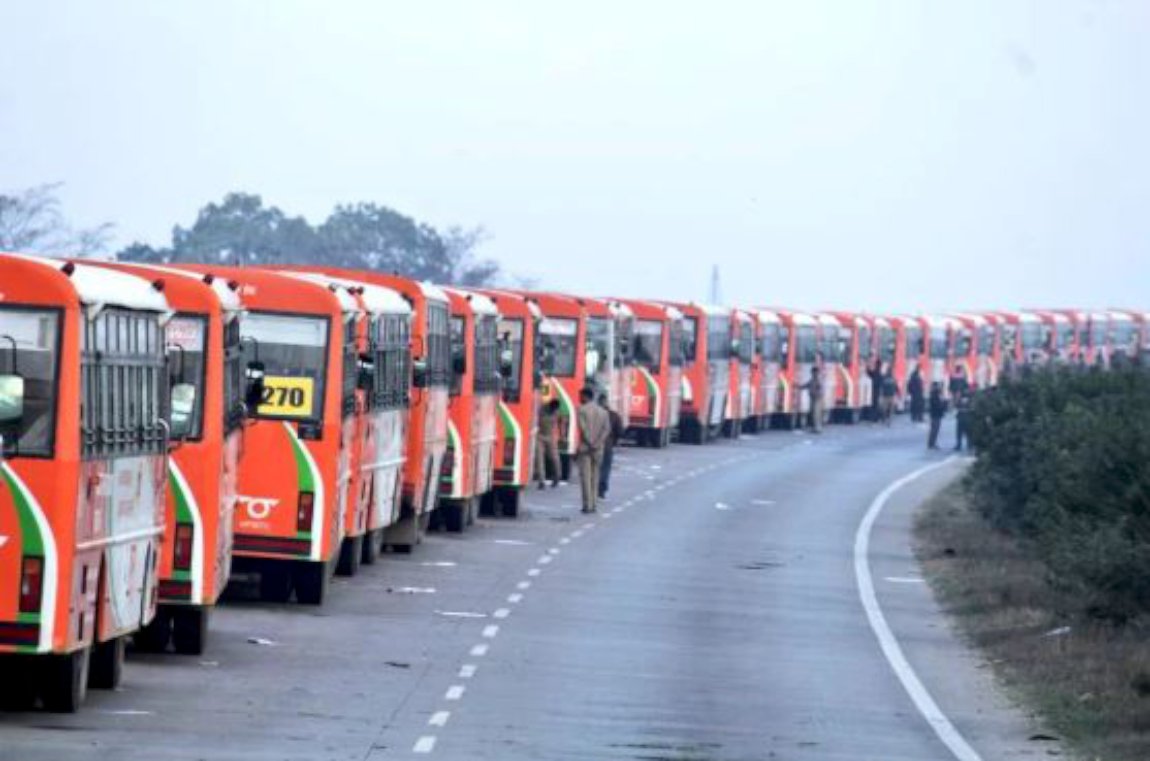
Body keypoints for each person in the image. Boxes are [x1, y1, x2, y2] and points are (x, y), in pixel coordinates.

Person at [575, 387, 610, 513]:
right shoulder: (603, 412)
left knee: (585, 477)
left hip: (586, 448)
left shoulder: (582, 410)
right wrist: (598, 443)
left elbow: (583, 429)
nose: (579, 398)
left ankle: (587, 505)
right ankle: (594, 504)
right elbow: (606, 430)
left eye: (580, 396)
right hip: (598, 449)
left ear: (585, 396)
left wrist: (590, 442)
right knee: (595, 477)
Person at [597, 394, 625, 500]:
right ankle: (602, 489)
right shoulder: (613, 415)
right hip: (608, 445)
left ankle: (593, 487)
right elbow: (620, 431)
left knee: (595, 467)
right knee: (605, 467)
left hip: (594, 445)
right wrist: (614, 441)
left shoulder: (595, 414)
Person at [535, 398, 561, 489]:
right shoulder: (541, 409)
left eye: (555, 409)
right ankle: (541, 481)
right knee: (539, 459)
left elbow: (560, 423)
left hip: (551, 436)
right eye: (553, 409)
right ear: (550, 405)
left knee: (554, 458)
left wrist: (560, 435)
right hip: (540, 436)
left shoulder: (557, 412)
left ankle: (557, 477)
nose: (554, 411)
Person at [801, 366, 823, 433]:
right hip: (812, 398)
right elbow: (806, 385)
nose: (813, 374)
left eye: (814, 372)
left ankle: (817, 428)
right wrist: (798, 386)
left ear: (817, 373)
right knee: (812, 413)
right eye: (813, 372)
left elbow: (819, 389)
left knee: (816, 413)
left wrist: (816, 392)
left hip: (817, 399)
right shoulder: (812, 380)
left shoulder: (818, 380)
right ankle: (814, 428)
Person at [927, 382, 947, 449]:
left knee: (935, 429)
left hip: (936, 414)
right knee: (934, 429)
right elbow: (937, 404)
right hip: (935, 414)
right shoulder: (935, 395)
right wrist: (943, 404)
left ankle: (932, 443)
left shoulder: (936, 394)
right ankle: (931, 443)